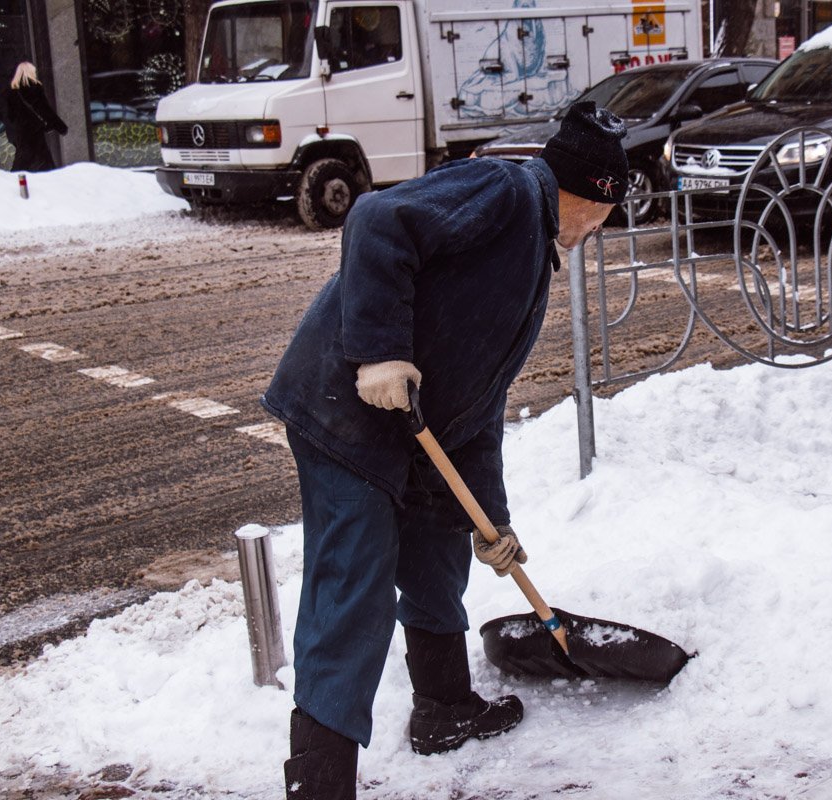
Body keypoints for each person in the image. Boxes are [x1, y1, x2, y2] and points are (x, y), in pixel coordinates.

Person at [261, 101, 628, 799]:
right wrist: (380, 352)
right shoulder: (506, 190)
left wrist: (490, 519)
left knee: (440, 550)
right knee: (355, 592)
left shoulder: (534, 250)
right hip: (345, 412)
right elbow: (377, 219)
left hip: (413, 427)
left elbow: (477, 404)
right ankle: (319, 783)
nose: (599, 230)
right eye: (606, 214)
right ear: (592, 194)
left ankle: (444, 708)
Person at [1, 62, 68, 172]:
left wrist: (14, 130)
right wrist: (60, 126)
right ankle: (18, 179)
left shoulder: (11, 92)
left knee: (28, 159)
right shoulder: (33, 88)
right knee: (37, 159)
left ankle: (23, 178)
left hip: (21, 132)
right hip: (34, 131)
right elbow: (44, 109)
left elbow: (8, 115)